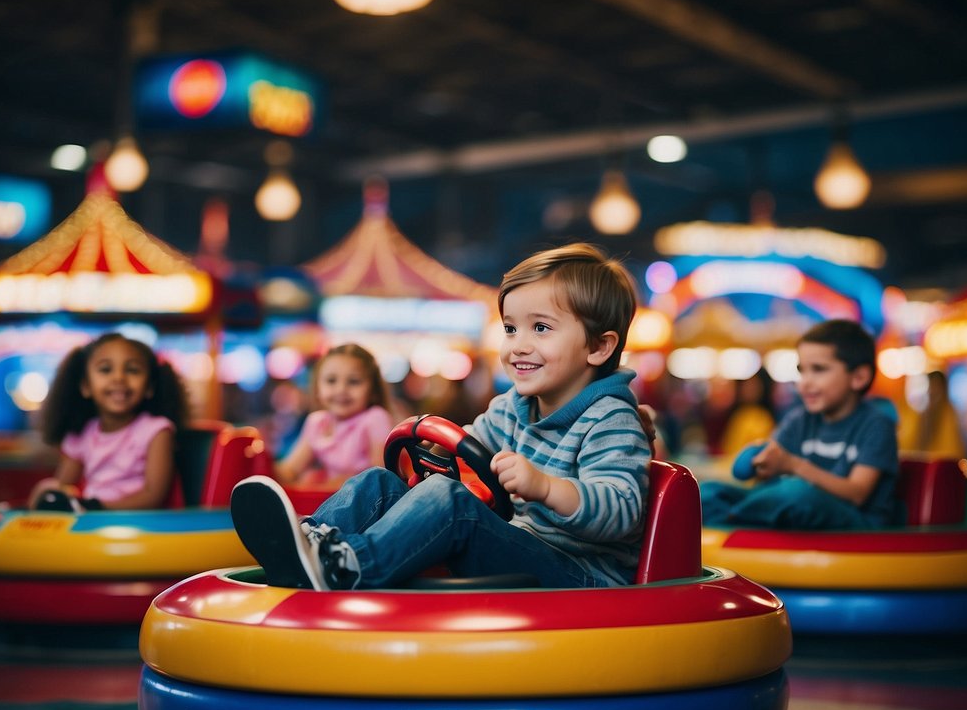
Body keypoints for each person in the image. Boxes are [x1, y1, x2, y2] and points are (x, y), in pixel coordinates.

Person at [230, 242, 652, 590]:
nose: (517, 345)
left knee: (452, 505)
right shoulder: (513, 407)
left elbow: (620, 509)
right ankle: (308, 545)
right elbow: (470, 444)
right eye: (510, 329)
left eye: (540, 328)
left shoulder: (609, 418)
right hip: (522, 551)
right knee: (381, 482)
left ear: (598, 347)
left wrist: (544, 486)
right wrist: (432, 449)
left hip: (581, 578)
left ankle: (350, 566)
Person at [701, 319, 899, 530]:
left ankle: (734, 518)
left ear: (859, 377)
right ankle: (741, 520)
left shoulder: (877, 425)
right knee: (706, 491)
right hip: (802, 511)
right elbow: (772, 463)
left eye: (818, 369)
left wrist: (794, 466)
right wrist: (762, 462)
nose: (804, 382)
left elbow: (857, 493)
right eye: (801, 371)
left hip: (856, 525)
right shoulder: (800, 418)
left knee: (796, 493)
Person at [27, 332, 188, 512]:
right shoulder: (84, 432)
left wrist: (96, 507)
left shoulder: (156, 431)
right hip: (93, 522)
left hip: (138, 525)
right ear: (85, 386)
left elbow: (153, 495)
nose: (118, 378)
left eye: (132, 370)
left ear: (150, 387)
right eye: (105, 369)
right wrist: (50, 493)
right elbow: (63, 484)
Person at [275, 343, 395, 487]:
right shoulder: (317, 422)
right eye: (331, 380)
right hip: (330, 500)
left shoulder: (375, 418)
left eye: (354, 381)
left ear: (373, 391)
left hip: (367, 503)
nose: (341, 389)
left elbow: (381, 476)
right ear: (318, 389)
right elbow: (290, 470)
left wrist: (328, 485)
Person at [899, 370, 966, 458]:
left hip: (943, 463)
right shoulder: (920, 413)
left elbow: (953, 448)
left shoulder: (950, 414)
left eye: (936, 386)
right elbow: (910, 444)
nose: (933, 390)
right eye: (931, 386)